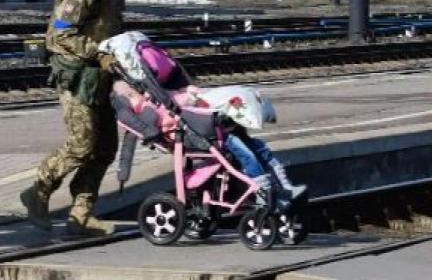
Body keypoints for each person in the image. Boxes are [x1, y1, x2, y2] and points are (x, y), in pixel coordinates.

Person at [20, 0, 148, 236]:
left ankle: (81, 213)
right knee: (82, 143)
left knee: (104, 147)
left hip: (104, 78)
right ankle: (38, 190)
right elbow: (58, 35)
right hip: (77, 78)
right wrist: (98, 53)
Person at [110, 79, 306, 200]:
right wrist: (123, 174)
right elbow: (132, 134)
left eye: (133, 90)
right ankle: (264, 191)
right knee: (247, 154)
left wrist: (190, 92)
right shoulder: (142, 110)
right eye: (129, 93)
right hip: (197, 134)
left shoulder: (154, 96)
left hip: (204, 125)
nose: (134, 93)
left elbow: (176, 99)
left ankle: (284, 184)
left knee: (258, 146)